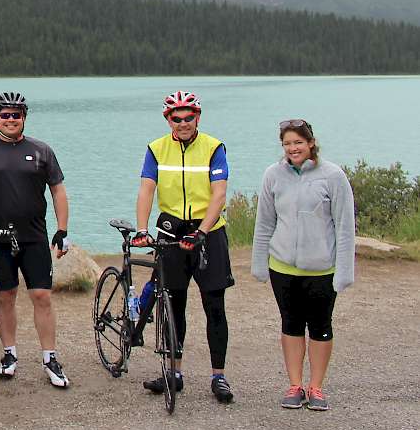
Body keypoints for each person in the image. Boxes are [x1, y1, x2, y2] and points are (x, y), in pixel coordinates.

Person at [0, 91, 70, 388]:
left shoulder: (42, 151)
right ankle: (9, 354)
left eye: (16, 115)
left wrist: (62, 228)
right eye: (5, 115)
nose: (10, 120)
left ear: (24, 118)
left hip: (33, 237)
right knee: (5, 296)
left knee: (42, 297)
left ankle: (50, 357)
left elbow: (58, 190)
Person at [131, 90, 235, 404]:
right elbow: (147, 190)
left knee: (214, 306)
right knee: (173, 306)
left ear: (198, 118)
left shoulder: (213, 147)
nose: (184, 123)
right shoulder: (156, 149)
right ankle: (174, 373)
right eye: (177, 119)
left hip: (208, 234)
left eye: (189, 118)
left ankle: (219, 376)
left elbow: (219, 194)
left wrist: (202, 231)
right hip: (172, 234)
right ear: (168, 120)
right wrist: (141, 229)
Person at [251, 119, 355, 411]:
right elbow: (264, 223)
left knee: (321, 326)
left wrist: (345, 271)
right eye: (287, 143)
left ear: (310, 143)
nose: (293, 148)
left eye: (298, 142)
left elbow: (345, 227)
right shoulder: (273, 175)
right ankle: (295, 385)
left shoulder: (333, 176)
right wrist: (260, 264)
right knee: (291, 324)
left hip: (322, 269)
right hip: (282, 267)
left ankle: (317, 387)